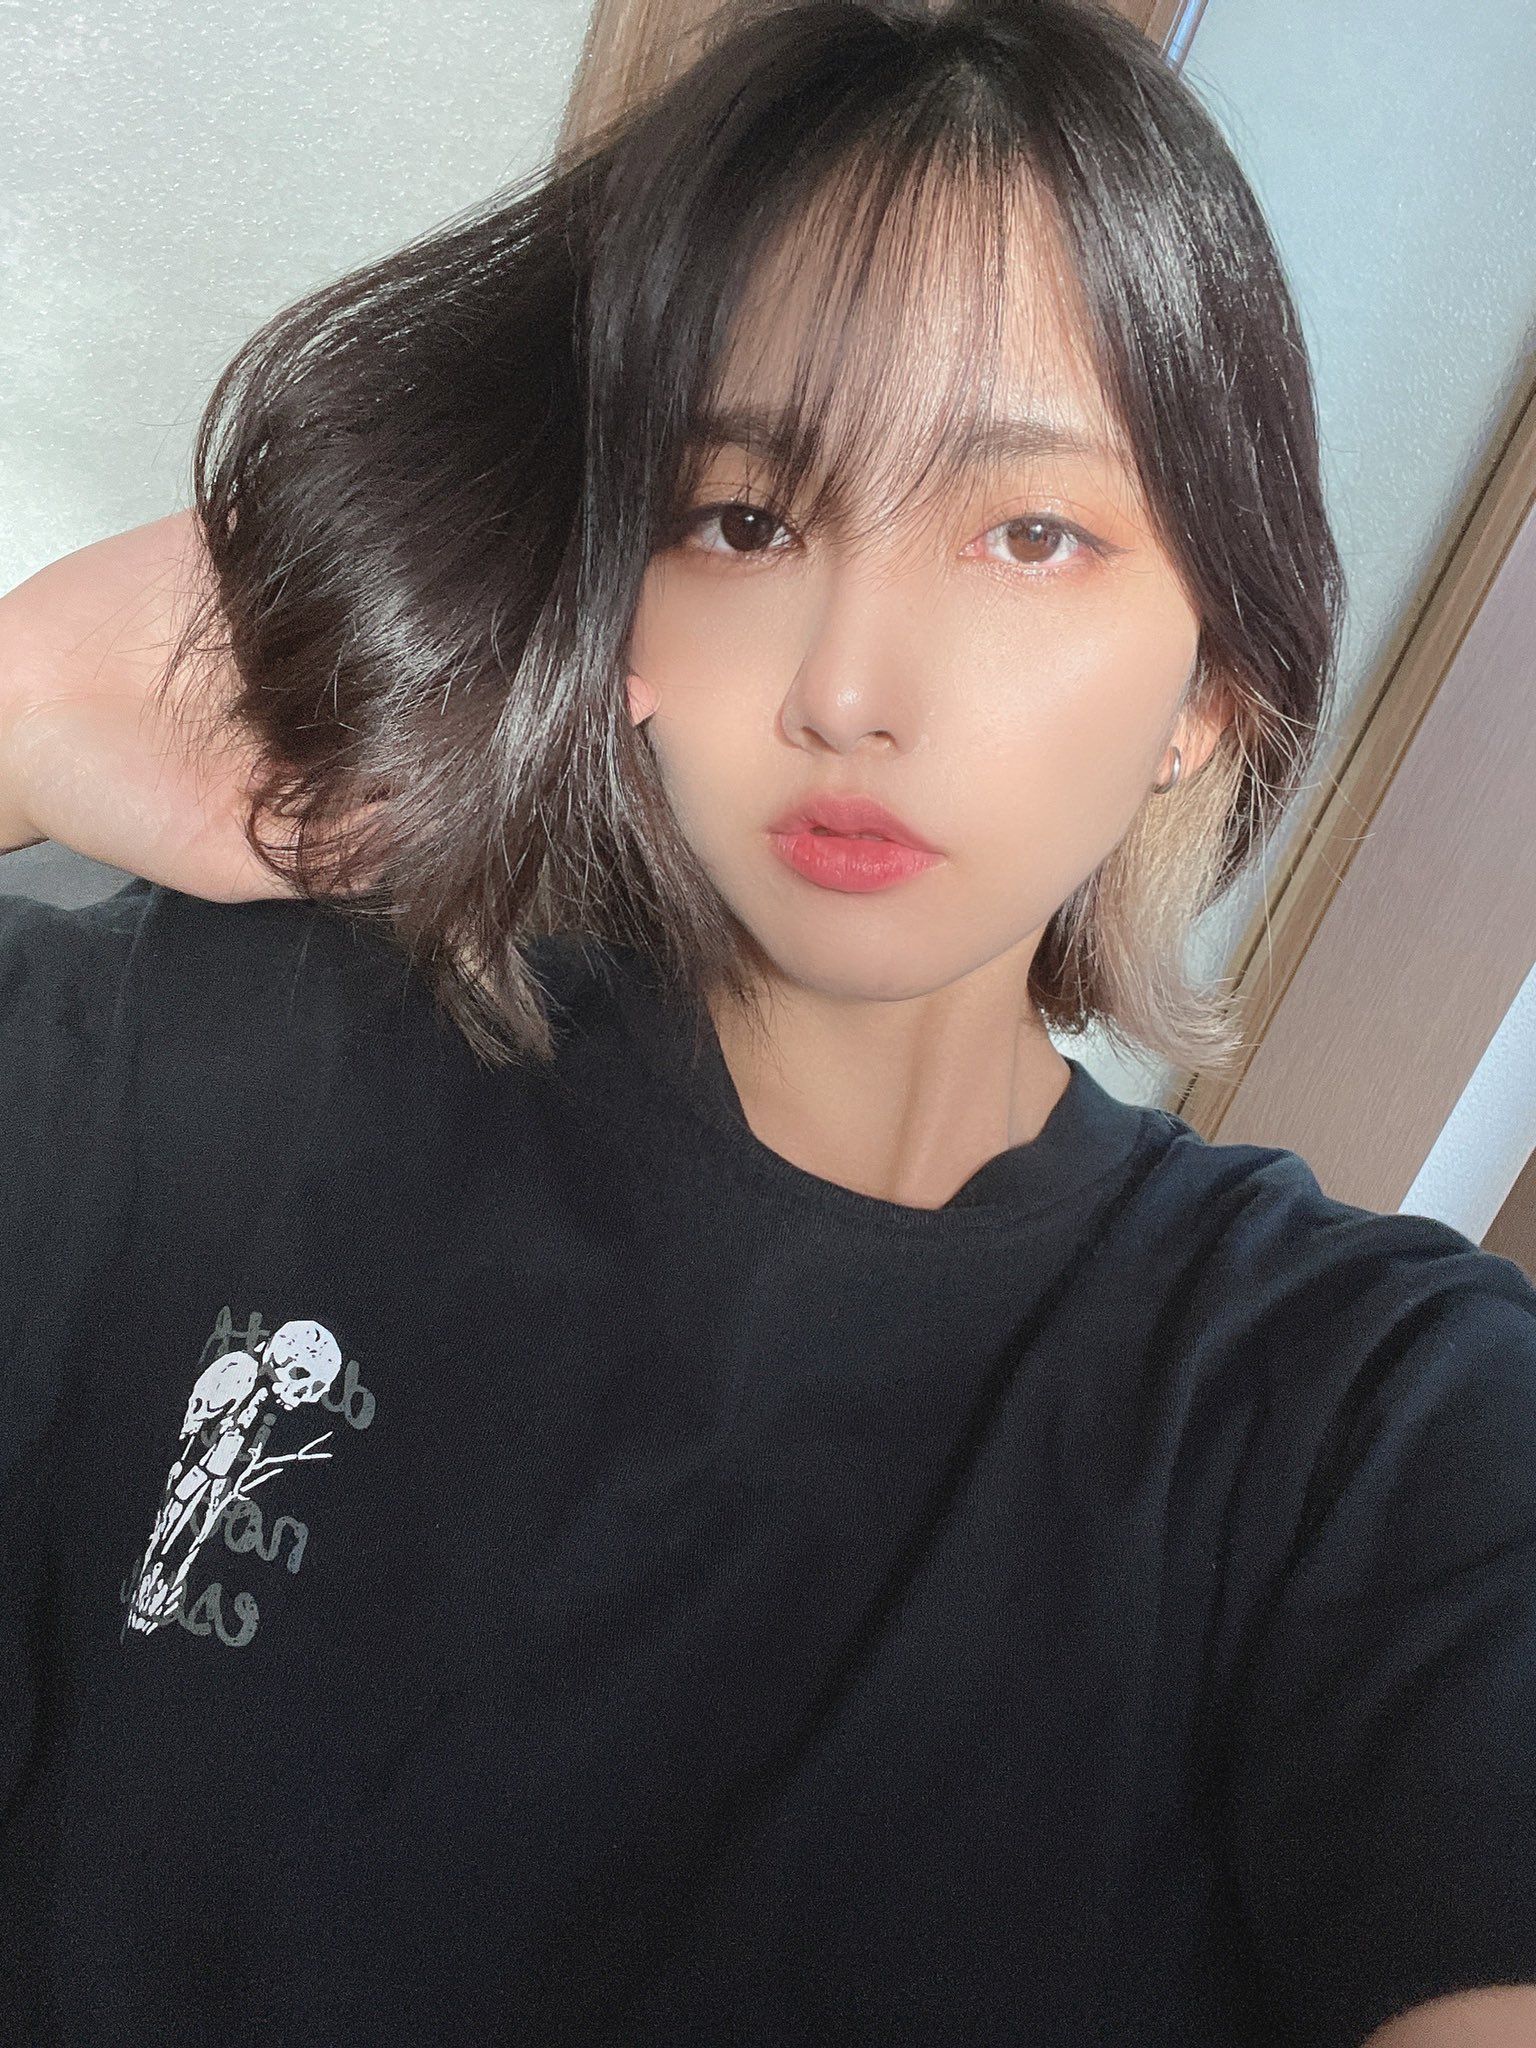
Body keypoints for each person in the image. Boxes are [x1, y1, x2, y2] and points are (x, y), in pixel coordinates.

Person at [2, 0, 1535, 2042]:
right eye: (747, 518)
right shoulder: (218, 1055)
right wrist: (14, 706)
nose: (847, 688)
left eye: (1029, 532)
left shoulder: (1369, 1423)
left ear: (1211, 689)